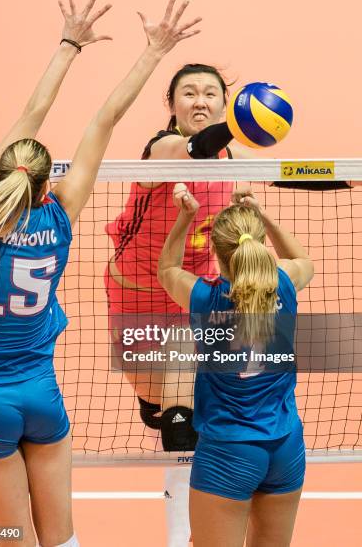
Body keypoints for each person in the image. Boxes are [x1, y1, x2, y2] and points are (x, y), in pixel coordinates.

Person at [0, 0, 200, 547]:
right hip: (43, 396)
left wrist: (68, 45)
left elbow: (30, 115)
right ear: (47, 185)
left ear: (2, 174)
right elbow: (105, 119)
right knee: (62, 542)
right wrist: (154, 50)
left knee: (13, 541)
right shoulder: (60, 218)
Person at [105, 60, 257, 544]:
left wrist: (347, 179)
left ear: (223, 102)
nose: (200, 101)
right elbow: (192, 149)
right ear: (171, 106)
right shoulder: (164, 148)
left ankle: (185, 535)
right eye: (188, 93)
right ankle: (166, 416)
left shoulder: (228, 158)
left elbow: (280, 178)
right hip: (139, 300)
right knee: (161, 409)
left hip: (195, 298)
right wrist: (238, 123)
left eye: (211, 93)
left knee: (186, 420)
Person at [157, 183, 314, 547]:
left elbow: (167, 268)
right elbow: (304, 261)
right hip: (286, 447)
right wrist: (265, 218)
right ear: (258, 245)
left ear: (216, 252)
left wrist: (186, 216)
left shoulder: (205, 299)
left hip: (228, 453)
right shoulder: (285, 285)